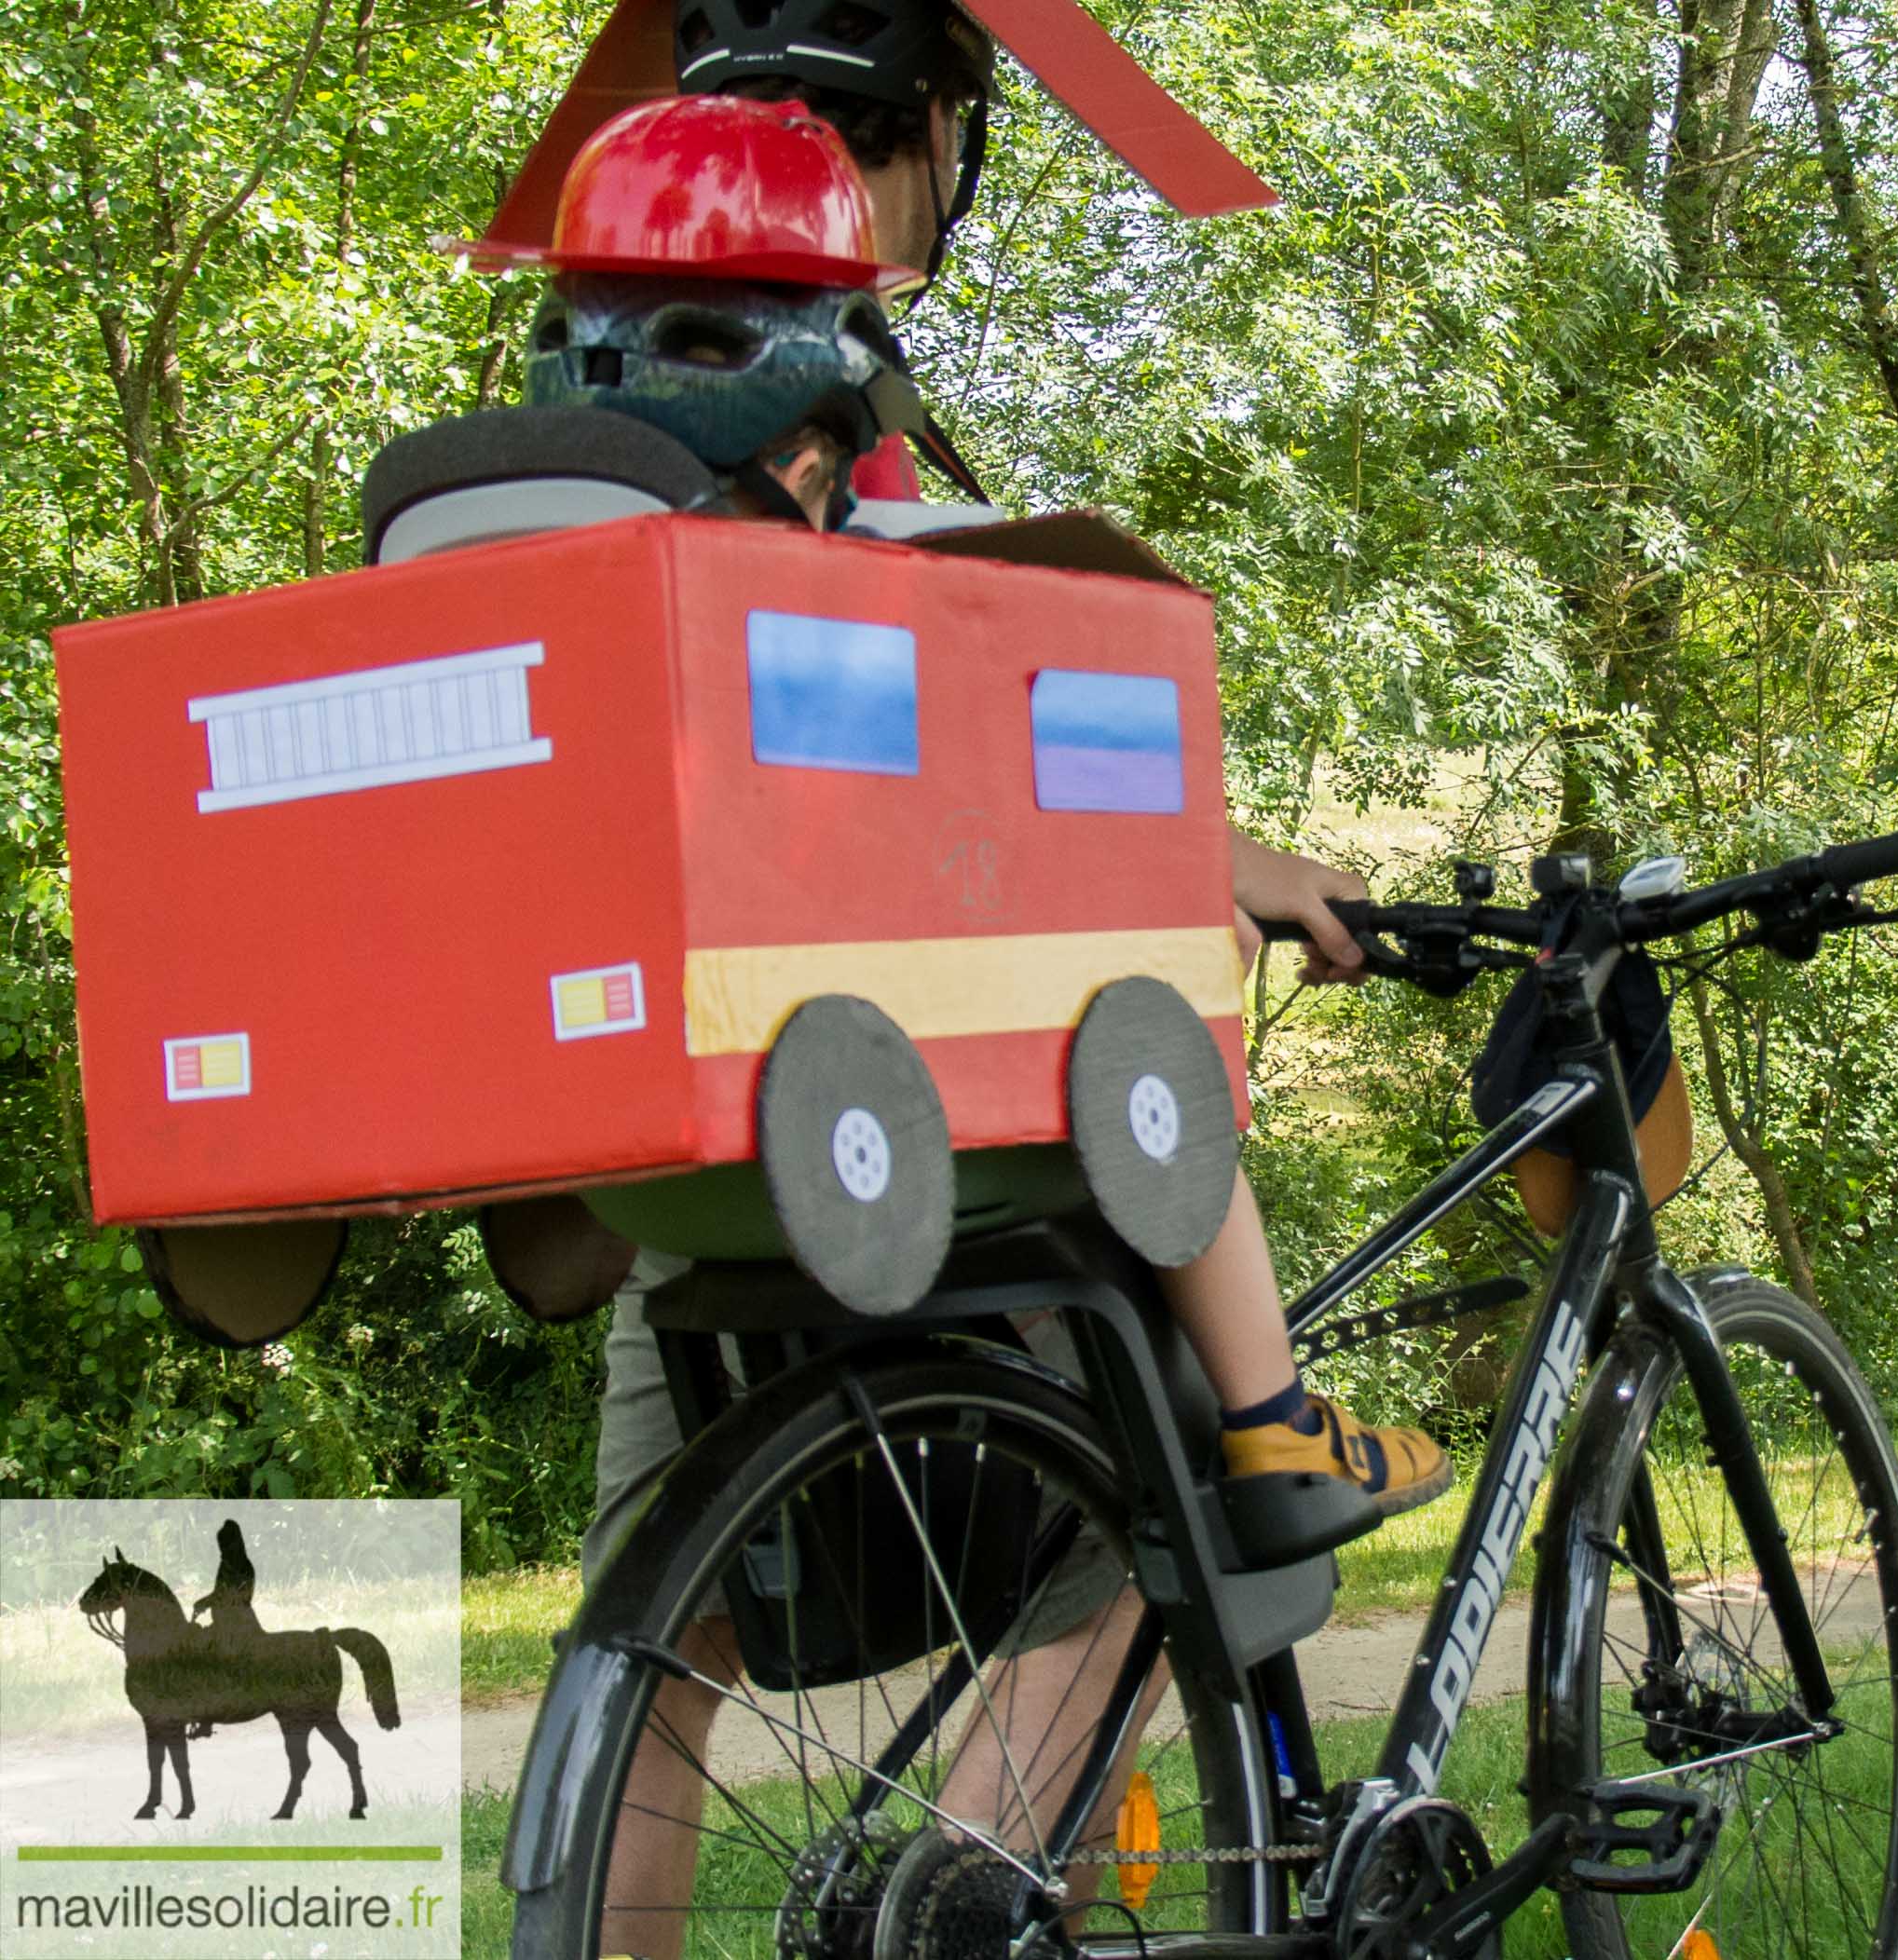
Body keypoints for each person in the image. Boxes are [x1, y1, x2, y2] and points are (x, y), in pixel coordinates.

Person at [485, 93, 1441, 1960]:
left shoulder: (544, 556)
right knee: (1162, 1521)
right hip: (926, 1115)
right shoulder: (860, 539)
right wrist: (1229, 859)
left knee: (661, 1640)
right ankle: (1251, 1451)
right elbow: (1028, 767)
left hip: (678, 1156)